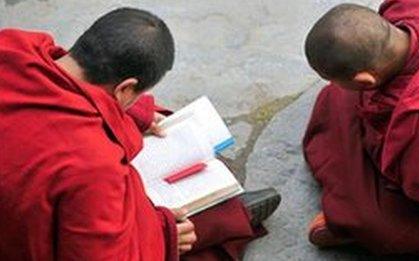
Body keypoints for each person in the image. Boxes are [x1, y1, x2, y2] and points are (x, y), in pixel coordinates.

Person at [0, 8, 280, 260]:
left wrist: (128, 112)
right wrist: (163, 235)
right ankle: (231, 217)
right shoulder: (93, 164)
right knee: (187, 226)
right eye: (136, 95)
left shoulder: (12, 45)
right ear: (125, 88)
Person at [303, 0, 419, 257]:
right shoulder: (417, 5)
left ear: (366, 80)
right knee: (335, 96)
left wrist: (385, 153)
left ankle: (347, 219)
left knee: (372, 219)